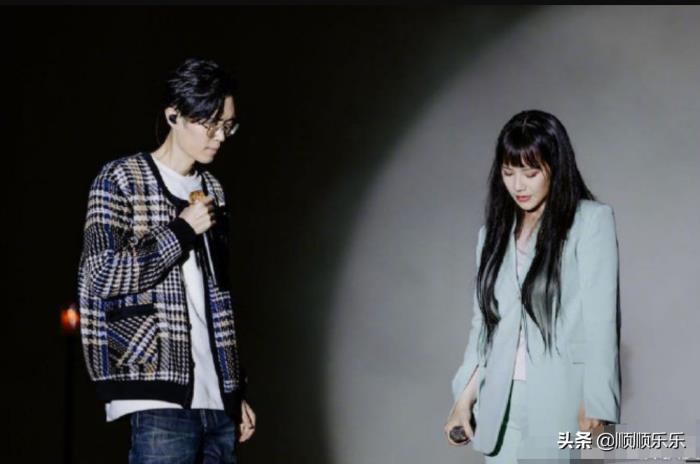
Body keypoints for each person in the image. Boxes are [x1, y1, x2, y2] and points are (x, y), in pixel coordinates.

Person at [78, 57, 255, 463]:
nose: (220, 136)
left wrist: (234, 389)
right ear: (174, 115)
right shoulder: (120, 179)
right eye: (210, 123)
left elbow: (218, 298)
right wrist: (180, 230)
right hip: (156, 393)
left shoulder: (213, 190)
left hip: (217, 402)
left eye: (228, 125)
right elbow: (101, 275)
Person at [444, 110, 621, 462]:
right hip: (498, 404)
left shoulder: (590, 222)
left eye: (531, 172)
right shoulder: (491, 237)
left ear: (555, 167)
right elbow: (484, 327)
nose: (518, 186)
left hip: (563, 399)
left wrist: (597, 401)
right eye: (508, 173)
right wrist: (462, 400)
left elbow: (601, 320)